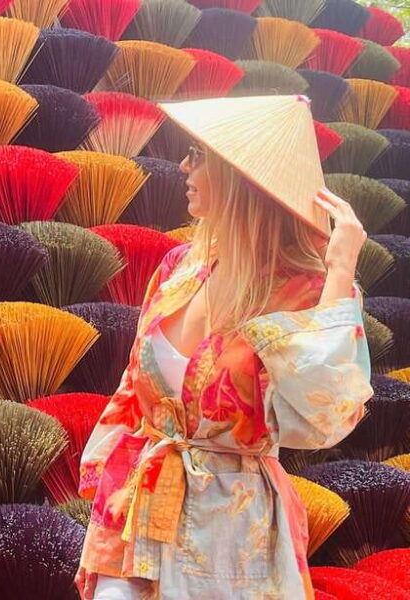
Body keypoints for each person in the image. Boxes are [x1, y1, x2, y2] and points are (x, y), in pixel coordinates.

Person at [73, 95, 374, 600]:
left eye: (200, 155)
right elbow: (133, 382)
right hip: (137, 514)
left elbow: (323, 420)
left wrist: (340, 269)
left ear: (241, 176)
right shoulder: (178, 269)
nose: (184, 166)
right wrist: (107, 486)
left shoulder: (308, 293)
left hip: (231, 537)